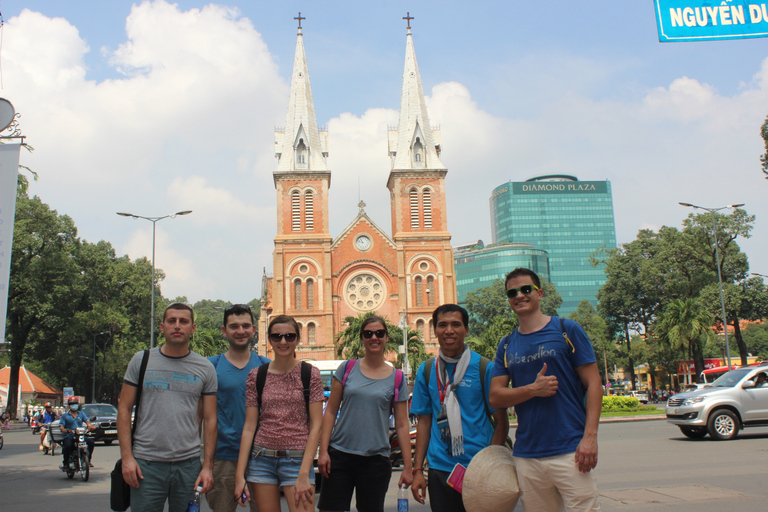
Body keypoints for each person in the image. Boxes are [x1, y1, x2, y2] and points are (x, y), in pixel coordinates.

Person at [489, 268, 603, 512]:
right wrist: (532, 389)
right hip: (526, 455)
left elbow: (594, 384)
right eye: (512, 292)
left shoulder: (566, 329)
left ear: (539, 293)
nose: (519, 295)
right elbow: (496, 396)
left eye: (526, 289)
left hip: (571, 451)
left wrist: (590, 438)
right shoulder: (507, 344)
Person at [116, 302, 218, 512]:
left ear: (193, 328)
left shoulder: (205, 368)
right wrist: (127, 458)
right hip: (146, 465)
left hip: (188, 466)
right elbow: (124, 409)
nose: (177, 326)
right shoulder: (141, 360)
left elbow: (210, 419)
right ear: (162, 327)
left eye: (183, 321)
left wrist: (207, 466)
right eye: (172, 321)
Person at [410, 304, 510, 512]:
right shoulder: (427, 369)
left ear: (466, 330)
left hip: (479, 468)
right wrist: (418, 469)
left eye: (456, 324)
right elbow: (424, 422)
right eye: (442, 325)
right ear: (434, 330)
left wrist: (490, 465)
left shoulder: (484, 368)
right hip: (440, 470)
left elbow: (501, 422)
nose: (449, 330)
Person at [317, 315, 413, 512]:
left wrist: (409, 467)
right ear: (362, 338)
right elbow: (331, 411)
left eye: (379, 333)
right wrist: (324, 451)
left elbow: (403, 424)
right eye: (368, 334)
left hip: (375, 459)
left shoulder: (397, 378)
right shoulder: (347, 368)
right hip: (340, 455)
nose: (374, 338)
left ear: (386, 337)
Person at [235, 315, 323, 512]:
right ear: (270, 340)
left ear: (298, 339)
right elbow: (249, 426)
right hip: (262, 459)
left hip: (298, 459)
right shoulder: (257, 376)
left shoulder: (310, 374)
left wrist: (304, 473)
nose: (283, 342)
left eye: (289, 336)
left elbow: (316, 425)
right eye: (277, 337)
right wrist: (240, 475)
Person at [207, 304, 271, 512]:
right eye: (234, 326)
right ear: (224, 331)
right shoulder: (211, 367)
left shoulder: (267, 366)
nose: (240, 331)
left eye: (245, 326)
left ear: (254, 330)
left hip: (262, 458)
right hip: (223, 458)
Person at [59, 397, 95, 468]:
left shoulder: (81, 414)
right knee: (68, 446)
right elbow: (61, 426)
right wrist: (65, 430)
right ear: (69, 406)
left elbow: (88, 422)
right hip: (70, 435)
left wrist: (91, 426)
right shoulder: (65, 415)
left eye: (75, 403)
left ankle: (88, 460)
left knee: (91, 442)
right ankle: (66, 463)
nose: (74, 405)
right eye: (72, 404)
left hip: (80, 435)